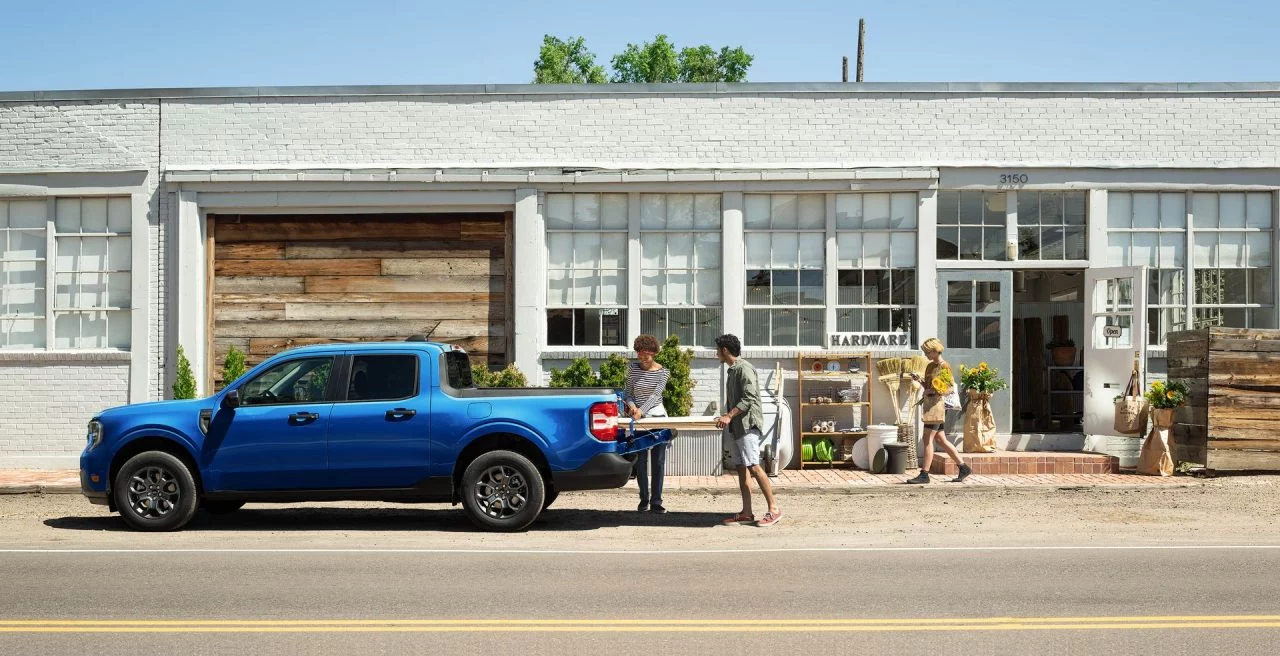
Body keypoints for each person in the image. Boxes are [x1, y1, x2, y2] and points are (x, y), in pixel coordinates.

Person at [714, 334, 782, 528]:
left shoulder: (744, 369)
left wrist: (729, 415)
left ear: (725, 350)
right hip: (737, 426)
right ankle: (746, 513)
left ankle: (774, 509)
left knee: (754, 466)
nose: (716, 353)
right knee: (742, 468)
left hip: (747, 425)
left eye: (718, 349)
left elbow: (750, 398)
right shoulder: (732, 370)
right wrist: (728, 416)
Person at [906, 337, 972, 484]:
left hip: (938, 407)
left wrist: (932, 391)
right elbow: (928, 386)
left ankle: (924, 474)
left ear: (936, 351)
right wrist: (920, 381)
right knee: (941, 439)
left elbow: (948, 389)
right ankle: (963, 467)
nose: (926, 355)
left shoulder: (944, 367)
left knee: (927, 438)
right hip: (930, 406)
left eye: (928, 352)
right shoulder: (930, 367)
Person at [625, 334, 672, 513]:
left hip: (657, 416)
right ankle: (644, 499)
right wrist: (632, 406)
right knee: (641, 460)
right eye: (639, 354)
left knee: (658, 461)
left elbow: (655, 396)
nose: (642, 358)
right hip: (638, 417)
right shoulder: (633, 369)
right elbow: (628, 392)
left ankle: (657, 501)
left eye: (646, 354)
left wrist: (641, 410)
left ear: (654, 353)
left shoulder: (663, 372)